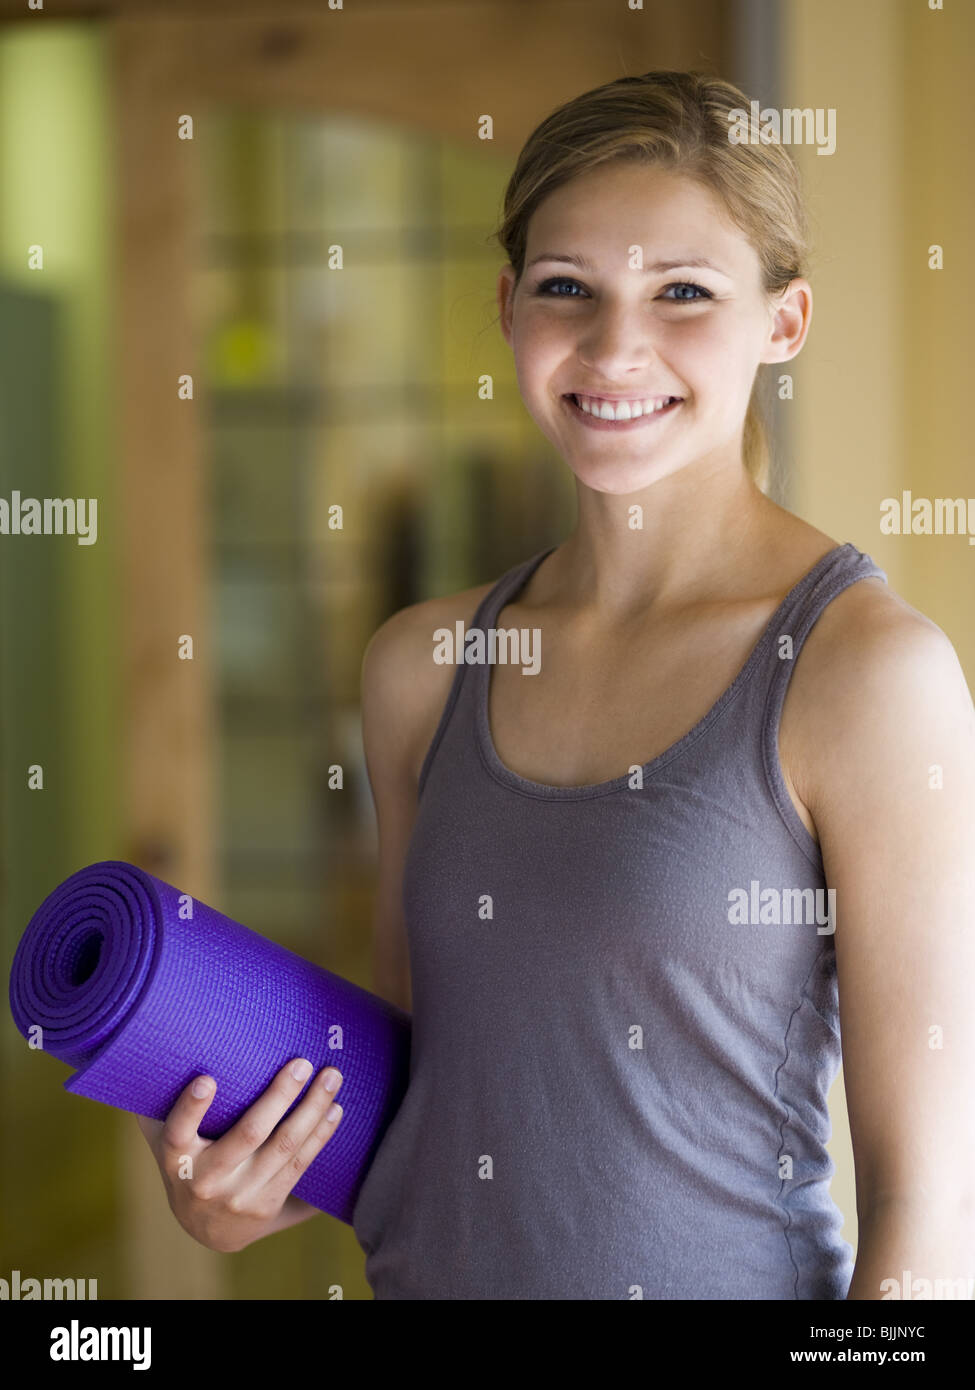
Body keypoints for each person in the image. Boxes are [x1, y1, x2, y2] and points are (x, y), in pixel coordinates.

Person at [137, 70, 975, 1299]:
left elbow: (930, 1209)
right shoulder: (423, 668)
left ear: (784, 322)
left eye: (682, 292)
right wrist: (247, 1188)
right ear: (509, 306)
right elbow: (428, 1084)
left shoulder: (865, 675)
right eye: (566, 288)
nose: (615, 346)